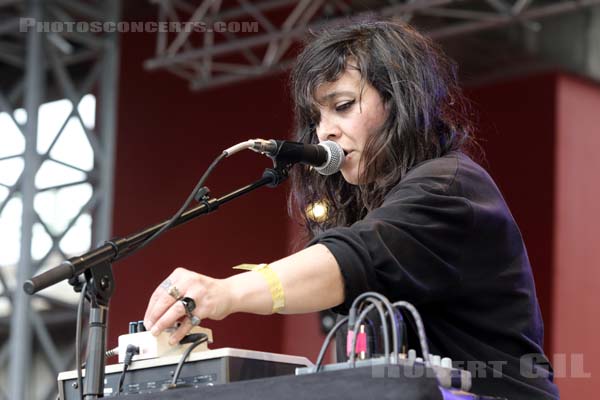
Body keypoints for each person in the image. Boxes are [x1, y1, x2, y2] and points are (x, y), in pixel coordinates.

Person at [143, 18, 559, 399]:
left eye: (342, 106)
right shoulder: (369, 203)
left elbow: (358, 254)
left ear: (397, 101)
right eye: (316, 115)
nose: (325, 129)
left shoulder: (449, 186)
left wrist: (224, 292)